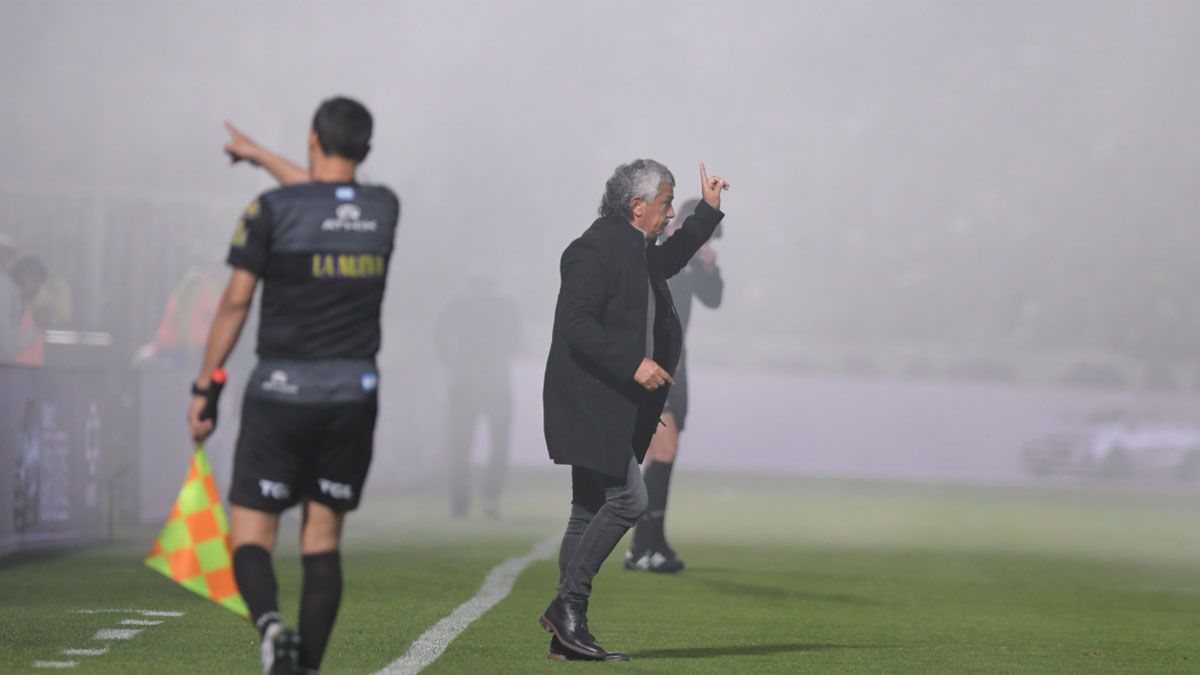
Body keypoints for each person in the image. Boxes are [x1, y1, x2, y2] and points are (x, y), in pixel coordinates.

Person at [188, 96, 399, 675]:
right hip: (352, 396)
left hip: (280, 393)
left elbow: (235, 301)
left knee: (251, 534)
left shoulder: (270, 210)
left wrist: (205, 386)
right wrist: (259, 155)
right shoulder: (383, 208)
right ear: (368, 150)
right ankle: (305, 667)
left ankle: (271, 626)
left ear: (312, 139)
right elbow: (328, 199)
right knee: (322, 539)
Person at [539, 160, 729, 661]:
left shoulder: (638, 250)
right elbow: (575, 325)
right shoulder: (591, 250)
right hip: (590, 401)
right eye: (666, 203)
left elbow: (673, 259)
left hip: (610, 400)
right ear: (636, 205)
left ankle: (569, 636)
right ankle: (568, 606)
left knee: (585, 512)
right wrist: (633, 364)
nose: (670, 212)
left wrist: (707, 211)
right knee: (628, 500)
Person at [626, 198, 724, 573]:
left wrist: (710, 267)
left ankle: (648, 542)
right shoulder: (657, 252)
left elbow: (713, 300)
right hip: (652, 360)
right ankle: (644, 545)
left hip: (676, 363)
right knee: (663, 451)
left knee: (664, 452)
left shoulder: (693, 259)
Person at [435, 277, 521, 519]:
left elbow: (439, 338)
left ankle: (460, 504)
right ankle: (491, 499)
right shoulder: (505, 303)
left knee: (461, 445)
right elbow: (518, 338)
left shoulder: (459, 303)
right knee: (498, 444)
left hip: (466, 380)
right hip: (495, 380)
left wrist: (454, 364)